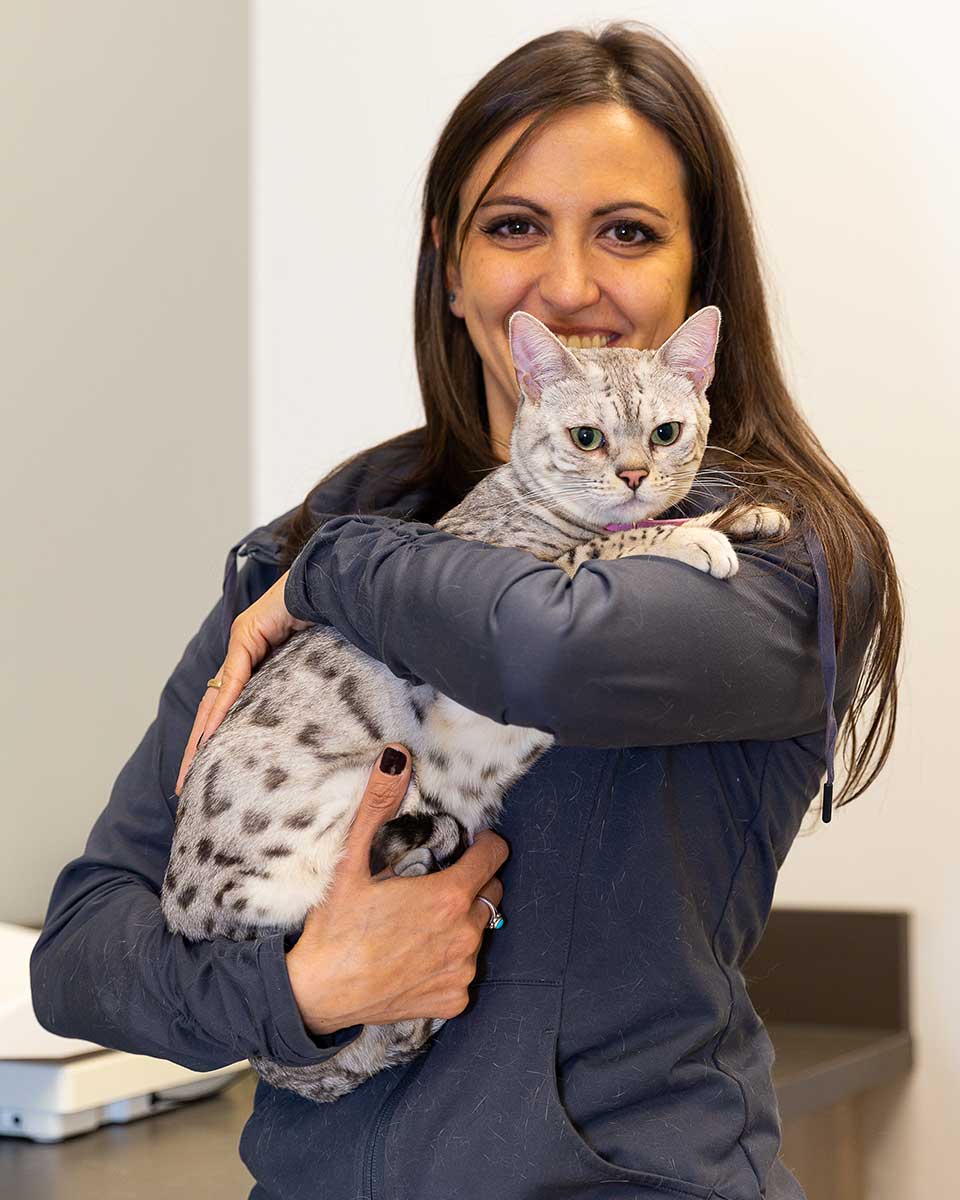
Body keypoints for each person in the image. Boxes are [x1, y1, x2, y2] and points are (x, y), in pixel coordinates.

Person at [31, 21, 901, 1200]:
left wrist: (336, 571)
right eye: (513, 226)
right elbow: (82, 959)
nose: (570, 283)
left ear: (702, 276)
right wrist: (302, 993)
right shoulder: (320, 532)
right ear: (452, 267)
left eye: (630, 233)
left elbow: (548, 645)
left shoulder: (774, 560)